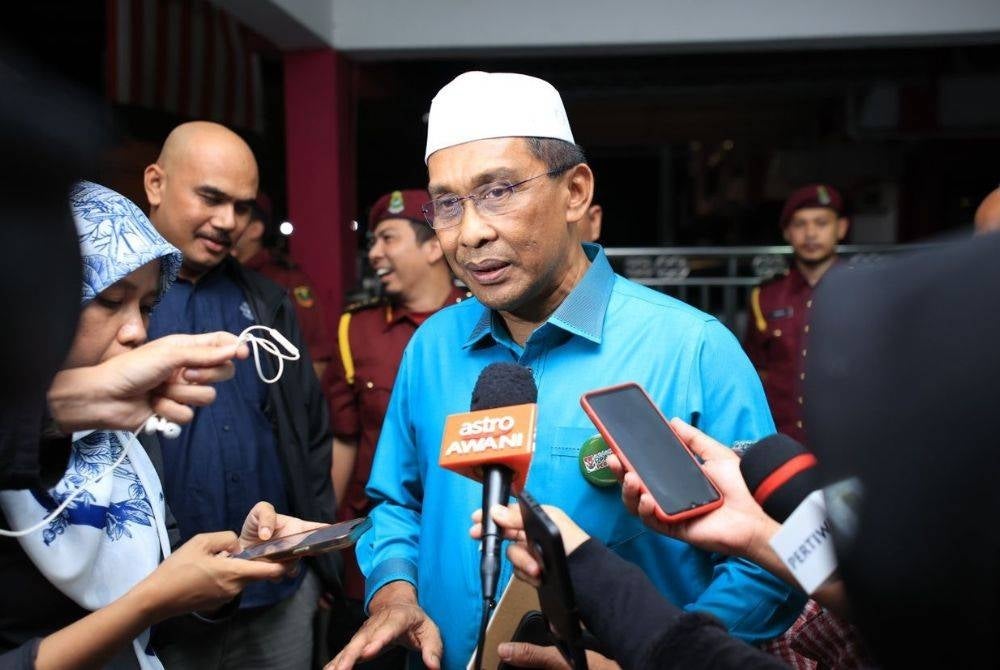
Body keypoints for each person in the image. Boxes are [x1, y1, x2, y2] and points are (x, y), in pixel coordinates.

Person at [328, 71, 802, 670]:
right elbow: (397, 504)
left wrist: (651, 658)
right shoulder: (432, 346)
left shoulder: (692, 349)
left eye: (498, 190)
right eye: (447, 204)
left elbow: (767, 566)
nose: (471, 232)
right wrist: (393, 591)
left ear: (576, 192)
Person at [0, 182, 318, 670]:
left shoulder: (126, 436)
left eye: (147, 308)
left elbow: (163, 621)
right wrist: (149, 601)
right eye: (109, 301)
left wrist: (226, 573)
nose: (137, 332)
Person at [142, 121, 338, 669]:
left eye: (243, 206)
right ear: (155, 184)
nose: (227, 221)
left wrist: (316, 562)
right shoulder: (109, 300)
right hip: (159, 604)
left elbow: (311, 434)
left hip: (275, 592)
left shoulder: (270, 303)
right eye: (210, 197)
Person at [323, 189, 468, 662]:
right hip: (374, 546)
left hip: (459, 544)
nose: (374, 253)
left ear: (432, 246)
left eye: (388, 238)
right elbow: (344, 441)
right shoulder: (355, 330)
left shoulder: (480, 323)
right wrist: (325, 554)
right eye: (372, 241)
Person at [743, 185, 849, 444]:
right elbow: (756, 370)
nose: (810, 233)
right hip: (784, 440)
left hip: (848, 436)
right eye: (800, 224)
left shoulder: (865, 290)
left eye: (821, 223)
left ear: (841, 228)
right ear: (787, 232)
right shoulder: (765, 297)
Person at [231, 195, 333, 379]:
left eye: (238, 214)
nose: (227, 222)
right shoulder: (221, 276)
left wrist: (296, 404)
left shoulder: (286, 280)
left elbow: (317, 355)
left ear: (255, 230)